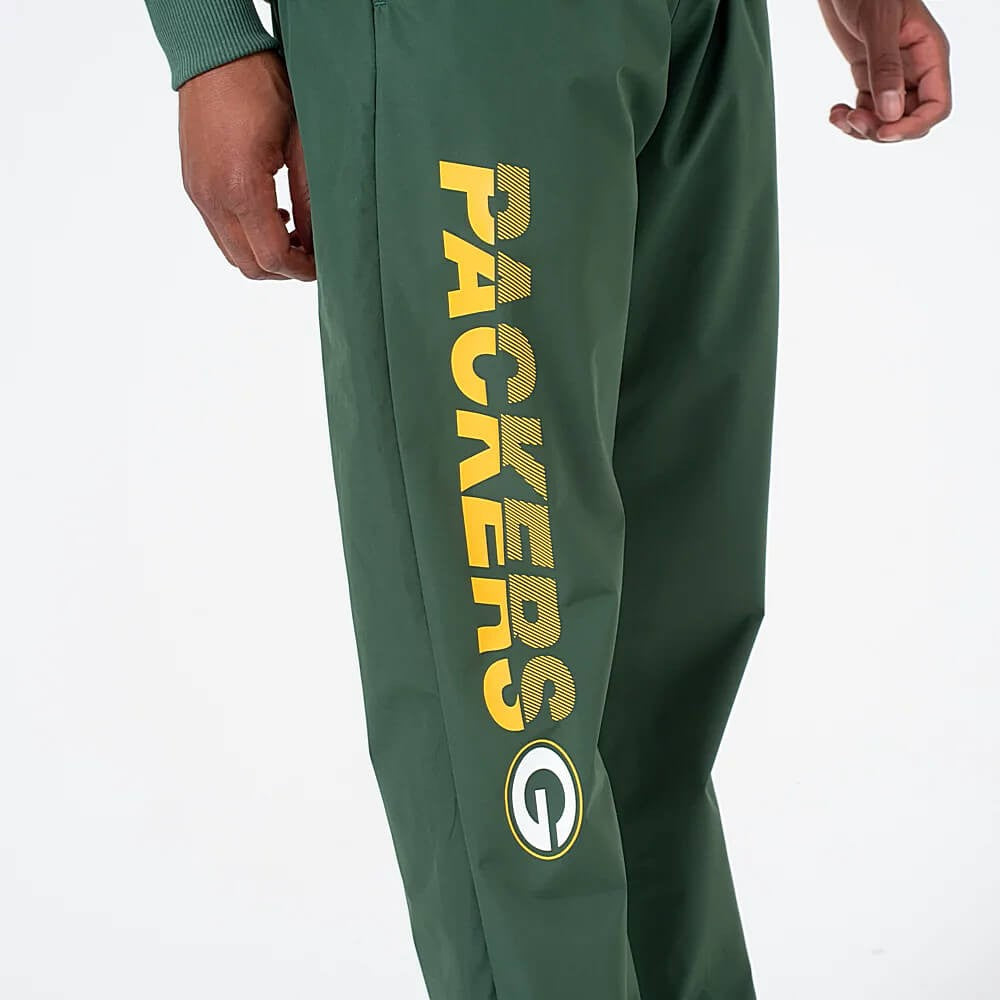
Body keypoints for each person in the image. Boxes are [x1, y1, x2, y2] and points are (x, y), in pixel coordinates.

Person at [144, 1, 952, 997]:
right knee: (517, 701)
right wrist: (207, 36)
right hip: (457, 38)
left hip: (696, 28)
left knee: (660, 674)